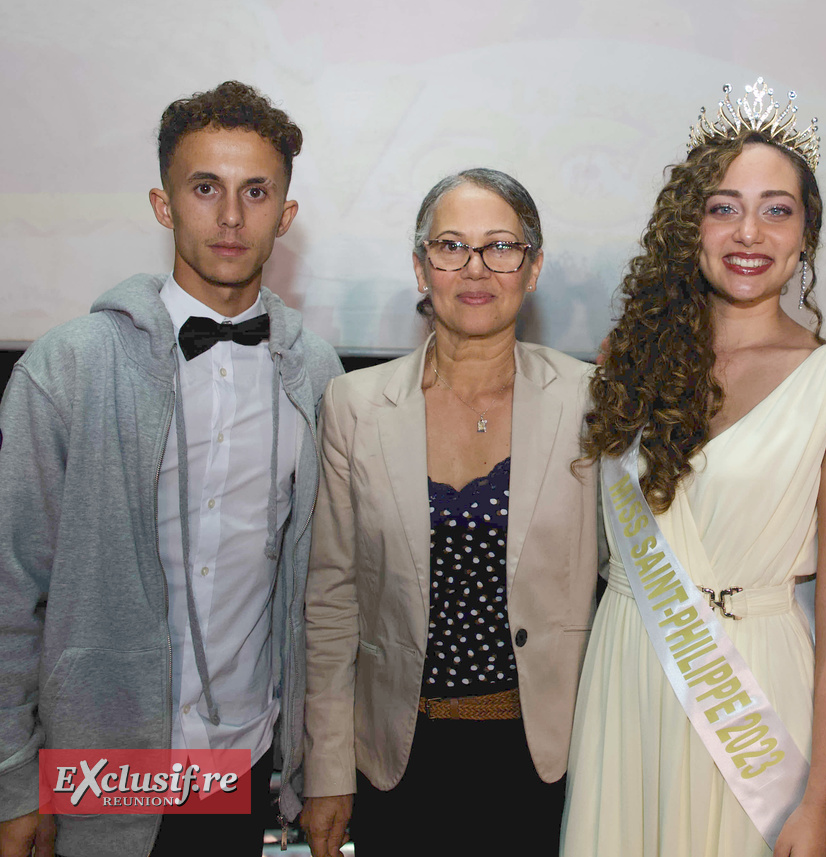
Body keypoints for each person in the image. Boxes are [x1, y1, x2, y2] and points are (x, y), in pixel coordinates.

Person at [0, 81, 342, 857]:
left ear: (284, 217)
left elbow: (319, 589)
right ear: (163, 205)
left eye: (255, 192)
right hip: (95, 772)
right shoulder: (71, 366)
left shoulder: (316, 376)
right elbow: (9, 589)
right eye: (204, 188)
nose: (230, 216)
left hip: (238, 761)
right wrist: (14, 778)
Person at [561, 79, 826, 857]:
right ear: (690, 225)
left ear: (807, 232)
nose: (750, 231)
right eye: (723, 205)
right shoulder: (625, 361)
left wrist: (824, 792)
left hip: (759, 696)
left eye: (778, 208)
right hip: (632, 673)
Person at [300, 168, 600, 857]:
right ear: (419, 266)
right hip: (400, 763)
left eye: (500, 246)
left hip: (550, 758)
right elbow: (331, 602)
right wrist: (326, 771)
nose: (475, 267)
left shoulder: (592, 402)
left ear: (533, 267)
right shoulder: (354, 406)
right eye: (450, 246)